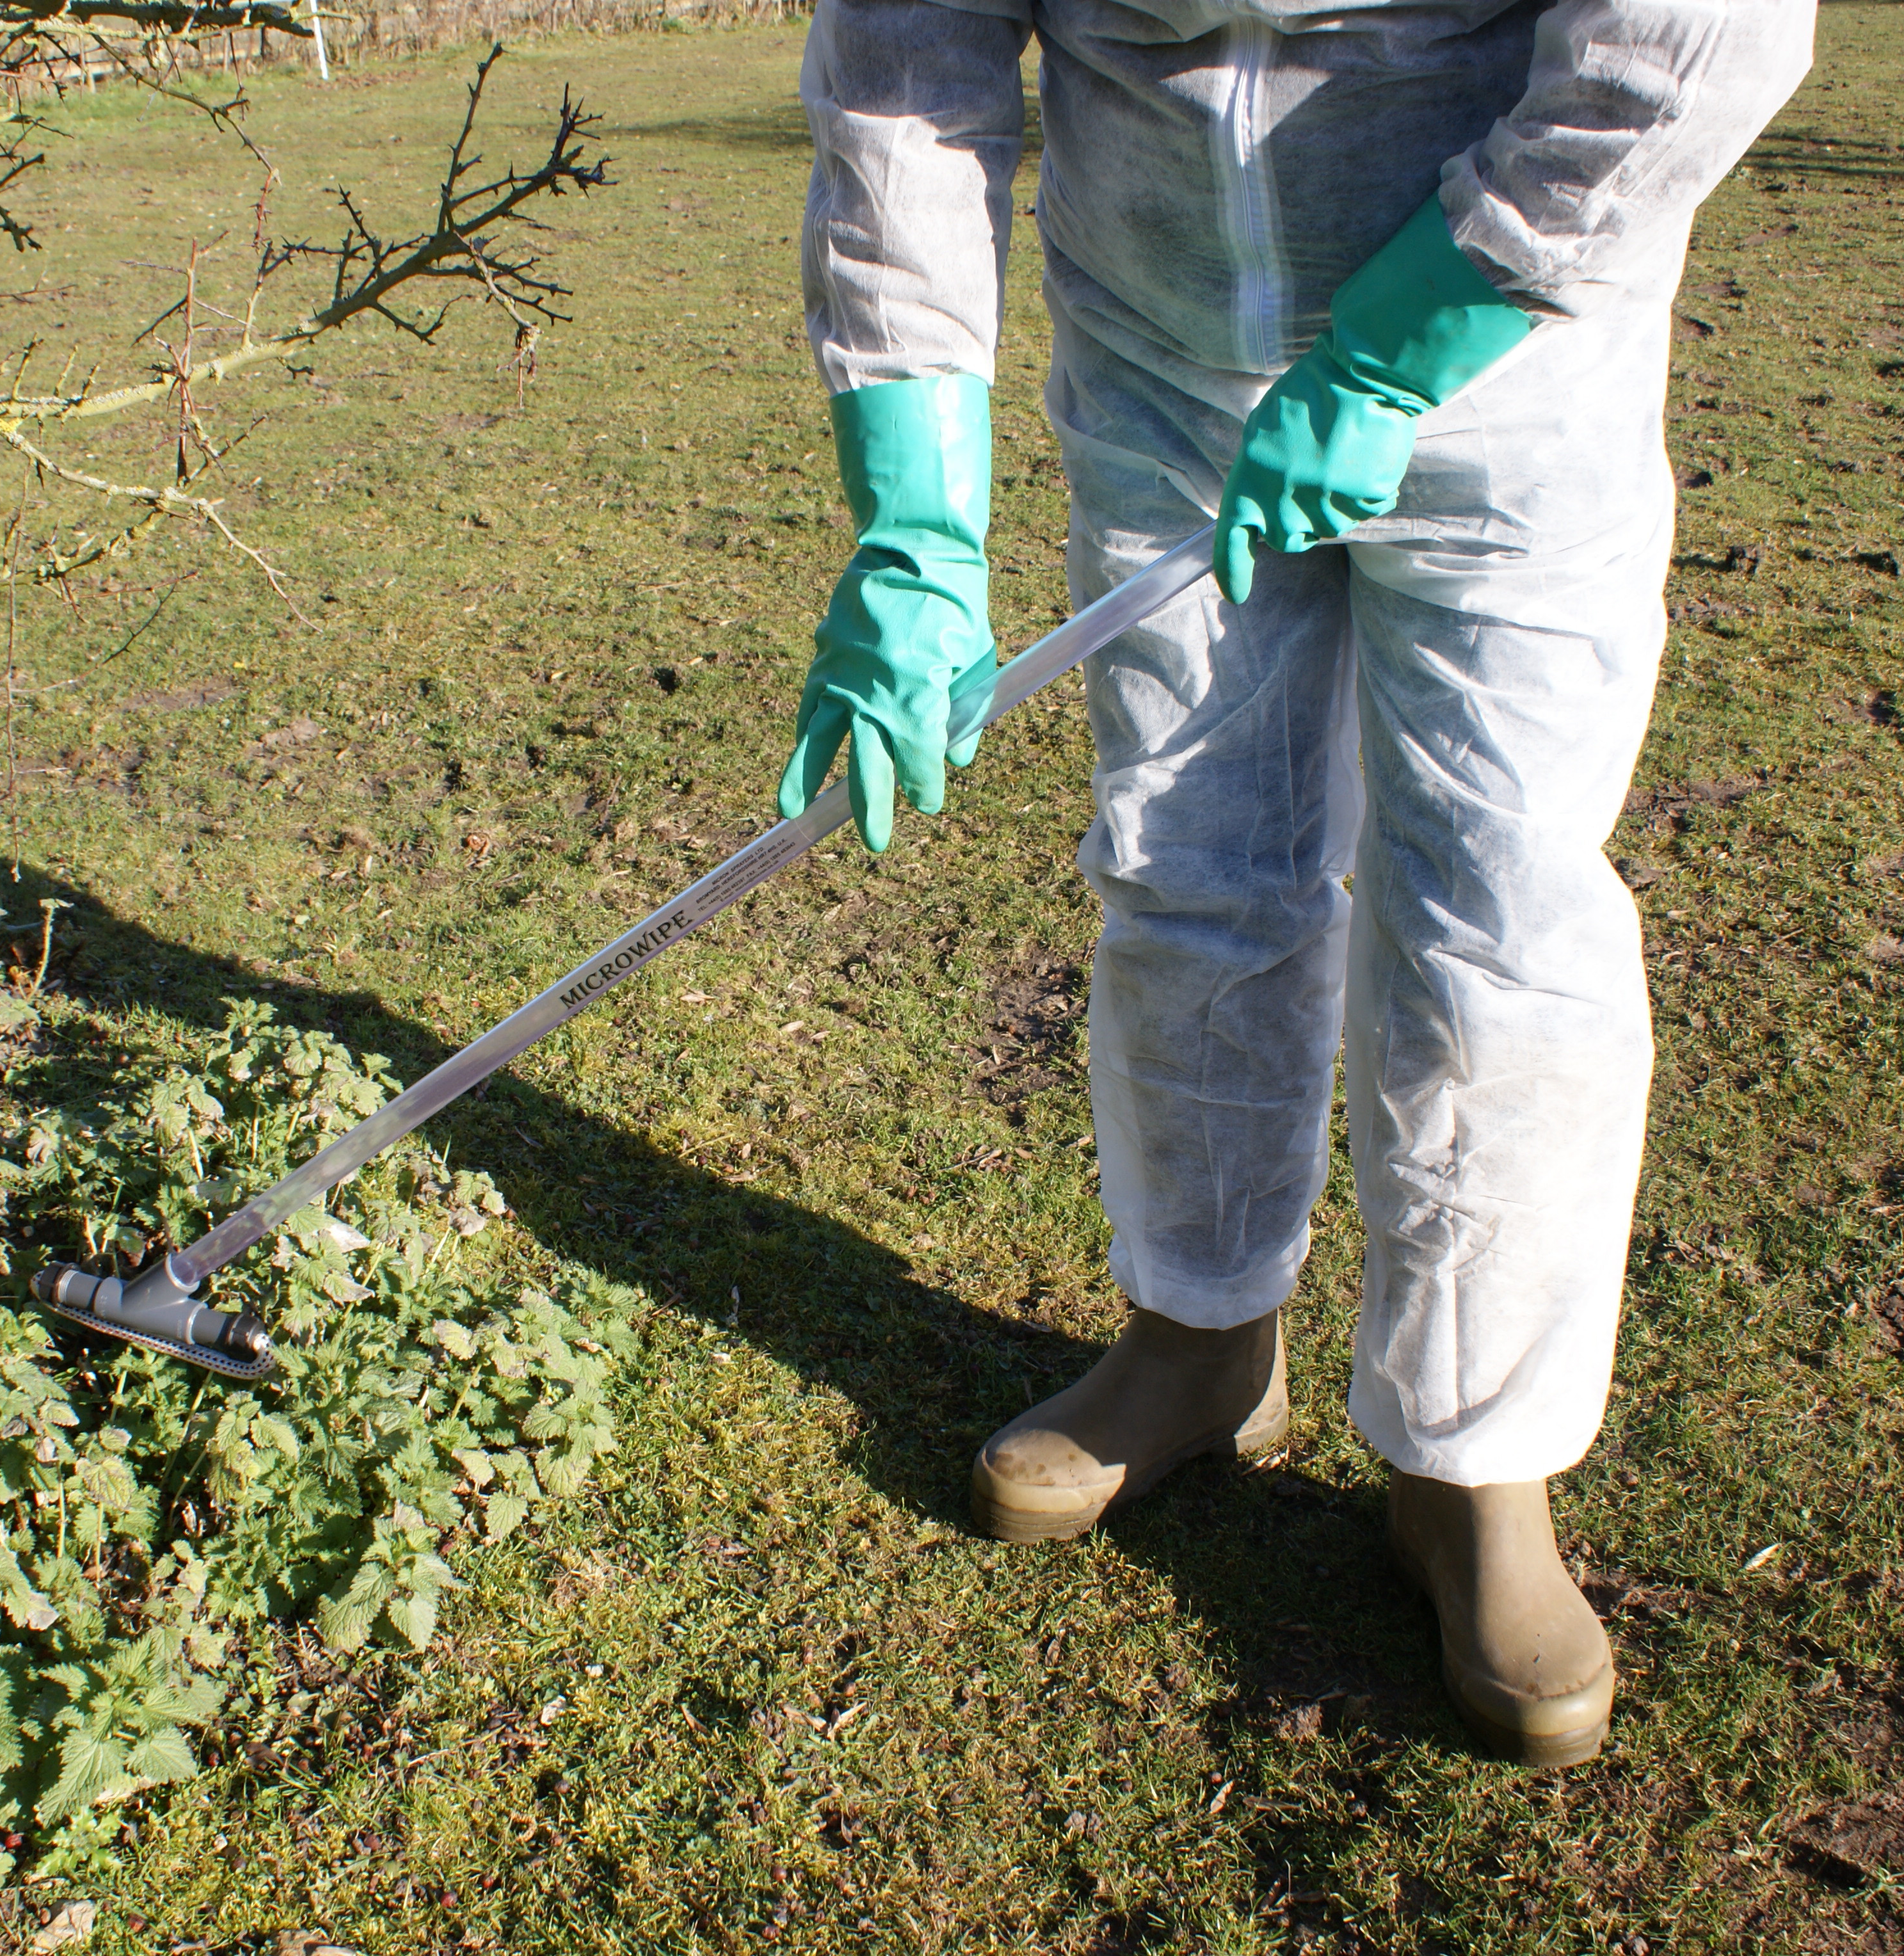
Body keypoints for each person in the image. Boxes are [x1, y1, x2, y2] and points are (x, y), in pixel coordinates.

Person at [777, 0, 1818, 1767]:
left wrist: (1415, 337)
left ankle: (1474, 1464)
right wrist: (914, 525)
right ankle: (1200, 1335)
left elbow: (1690, 31)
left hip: (1514, 358)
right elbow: (906, 76)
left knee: (1497, 913)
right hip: (1166, 364)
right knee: (1188, 871)